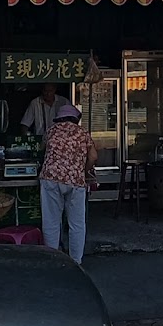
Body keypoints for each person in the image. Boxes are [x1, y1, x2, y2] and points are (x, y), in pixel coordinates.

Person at [39, 103, 98, 264]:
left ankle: (53, 259)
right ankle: (76, 261)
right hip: (75, 181)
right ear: (75, 118)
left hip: (50, 178)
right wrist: (83, 171)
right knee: (77, 223)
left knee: (51, 221)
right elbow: (93, 156)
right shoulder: (82, 132)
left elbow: (41, 148)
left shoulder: (52, 130)